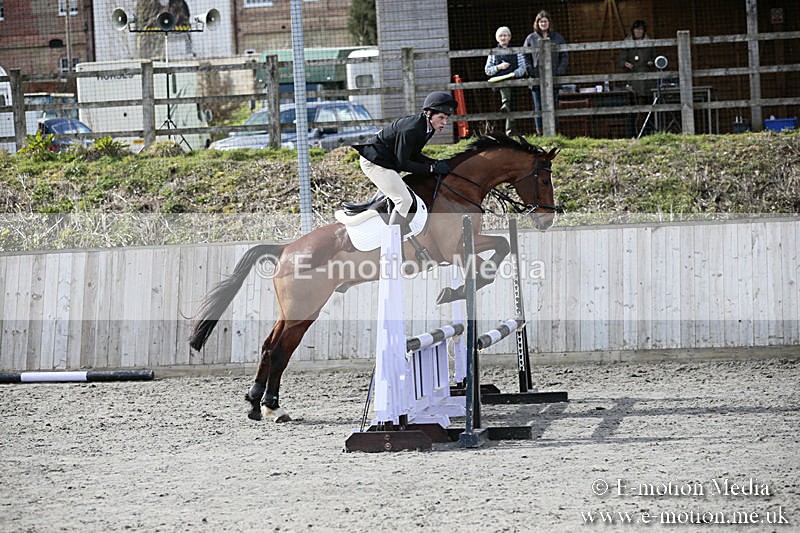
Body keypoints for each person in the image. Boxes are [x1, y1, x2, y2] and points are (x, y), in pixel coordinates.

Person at [354, 91, 455, 235]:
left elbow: (413, 155)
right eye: (441, 118)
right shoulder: (412, 128)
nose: (444, 123)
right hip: (374, 162)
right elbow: (403, 163)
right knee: (404, 200)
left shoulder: (428, 128)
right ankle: (391, 242)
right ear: (428, 114)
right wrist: (431, 169)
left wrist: (435, 163)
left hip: (386, 162)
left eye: (446, 118)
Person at [523, 10, 568, 135]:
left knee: (553, 106)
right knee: (538, 107)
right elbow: (524, 56)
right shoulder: (531, 38)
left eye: (545, 21)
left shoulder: (558, 38)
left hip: (554, 77)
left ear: (549, 23)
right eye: (541, 21)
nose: (543, 23)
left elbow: (564, 55)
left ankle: (554, 131)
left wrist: (560, 70)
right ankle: (540, 132)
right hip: (537, 78)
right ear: (537, 23)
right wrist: (530, 70)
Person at [484, 26, 527, 136]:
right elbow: (488, 70)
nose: (503, 38)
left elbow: (523, 67)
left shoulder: (516, 51)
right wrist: (499, 67)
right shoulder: (493, 52)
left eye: (505, 35)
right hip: (500, 82)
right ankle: (510, 131)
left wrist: (514, 73)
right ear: (497, 38)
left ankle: (509, 127)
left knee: (513, 107)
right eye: (501, 36)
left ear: (509, 37)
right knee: (506, 92)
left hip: (514, 81)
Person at [619, 20, 656, 103]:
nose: (638, 31)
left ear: (644, 31)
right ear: (633, 30)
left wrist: (652, 62)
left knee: (647, 98)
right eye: (636, 29)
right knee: (633, 98)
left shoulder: (649, 43)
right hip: (632, 75)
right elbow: (621, 60)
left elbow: (655, 58)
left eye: (641, 29)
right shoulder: (627, 43)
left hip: (646, 77)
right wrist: (625, 64)